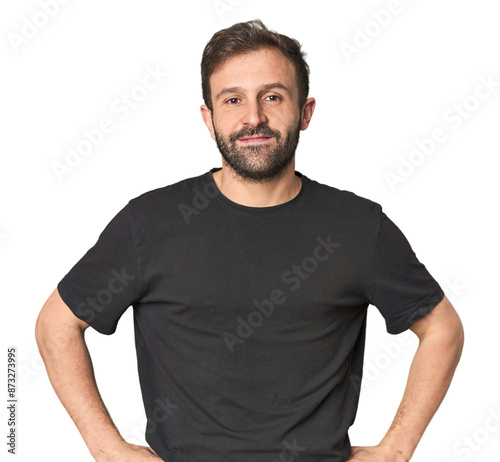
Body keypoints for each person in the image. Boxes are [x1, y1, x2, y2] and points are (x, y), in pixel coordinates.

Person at [35, 19, 464, 462]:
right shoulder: (149, 223)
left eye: (273, 97)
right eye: (233, 99)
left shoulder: (358, 226)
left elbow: (442, 328)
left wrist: (396, 448)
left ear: (305, 111)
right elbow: (57, 325)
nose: (253, 117)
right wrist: (106, 449)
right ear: (209, 117)